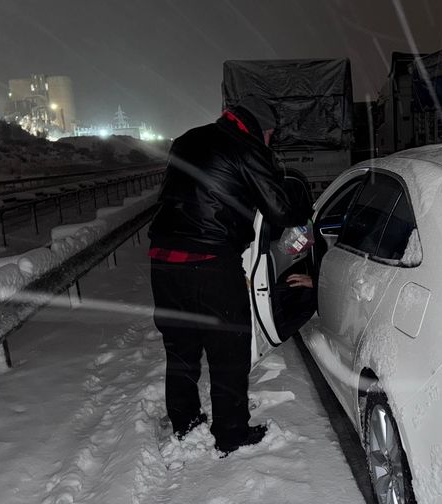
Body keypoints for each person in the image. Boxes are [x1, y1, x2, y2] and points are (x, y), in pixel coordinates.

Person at [148, 95, 311, 455]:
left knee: (181, 350)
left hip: (162, 259)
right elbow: (281, 209)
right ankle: (231, 433)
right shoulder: (248, 148)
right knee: (228, 351)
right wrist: (304, 201)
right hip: (209, 262)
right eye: (270, 134)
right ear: (261, 129)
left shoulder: (188, 139)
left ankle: (186, 424)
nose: (269, 140)